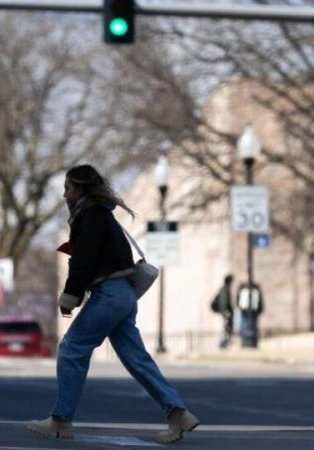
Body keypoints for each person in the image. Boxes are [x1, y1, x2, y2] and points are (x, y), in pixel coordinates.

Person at [26, 164, 199, 445]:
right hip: (124, 295)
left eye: (68, 189)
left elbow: (83, 262)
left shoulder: (88, 217)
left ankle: (60, 420)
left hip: (109, 294)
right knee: (136, 358)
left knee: (71, 350)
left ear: (80, 190)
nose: (64, 196)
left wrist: (70, 296)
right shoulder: (103, 215)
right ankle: (177, 412)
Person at [210, 275, 234, 348]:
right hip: (226, 313)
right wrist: (225, 312)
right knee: (226, 328)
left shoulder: (225, 289)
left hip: (226, 313)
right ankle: (223, 343)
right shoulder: (225, 290)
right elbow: (224, 302)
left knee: (227, 328)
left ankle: (225, 342)